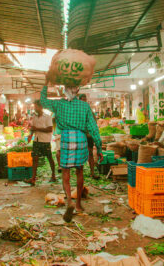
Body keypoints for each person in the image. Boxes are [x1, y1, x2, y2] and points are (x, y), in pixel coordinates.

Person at [41, 78, 103, 223]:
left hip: (67, 138)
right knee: (79, 171)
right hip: (81, 138)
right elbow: (93, 128)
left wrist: (46, 84)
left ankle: (69, 201)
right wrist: (98, 147)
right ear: (77, 90)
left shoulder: (59, 104)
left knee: (65, 172)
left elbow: (43, 101)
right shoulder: (84, 106)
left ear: (65, 90)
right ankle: (79, 204)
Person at [25, 100, 56, 185]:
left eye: (36, 107)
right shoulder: (34, 116)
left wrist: (37, 129)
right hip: (37, 140)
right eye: (34, 107)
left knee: (49, 158)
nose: (35, 108)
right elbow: (33, 128)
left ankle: (53, 175)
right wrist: (30, 135)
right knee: (35, 158)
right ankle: (33, 178)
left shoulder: (47, 117)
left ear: (41, 107)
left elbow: (50, 129)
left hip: (45, 140)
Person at [79, 94, 100, 180]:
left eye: (85, 100)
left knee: (90, 153)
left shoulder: (89, 110)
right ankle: (80, 174)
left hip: (88, 135)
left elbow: (94, 121)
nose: (84, 101)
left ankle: (92, 172)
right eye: (83, 100)